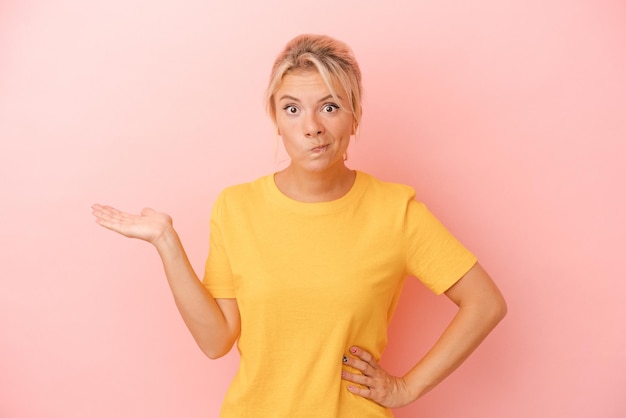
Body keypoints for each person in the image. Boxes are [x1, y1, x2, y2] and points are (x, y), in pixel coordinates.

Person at [91, 34, 507, 417]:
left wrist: (406, 388)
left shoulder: (395, 211)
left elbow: (485, 303)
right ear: (276, 118)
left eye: (330, 107)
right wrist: (166, 242)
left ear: (354, 114)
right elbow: (216, 341)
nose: (312, 127)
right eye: (293, 109)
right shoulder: (237, 207)